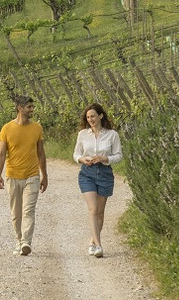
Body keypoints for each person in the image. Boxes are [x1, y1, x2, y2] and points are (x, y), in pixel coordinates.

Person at [0, 94, 47, 256]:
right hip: (13, 176)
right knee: (16, 213)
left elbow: (41, 153)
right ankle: (18, 240)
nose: (32, 110)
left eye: (32, 107)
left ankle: (26, 242)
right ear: (20, 108)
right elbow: (1, 154)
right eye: (29, 107)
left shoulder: (37, 128)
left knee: (28, 210)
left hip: (32, 175)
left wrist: (44, 175)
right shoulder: (7, 129)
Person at [74, 102, 122, 258]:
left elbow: (119, 156)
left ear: (100, 116)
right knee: (93, 209)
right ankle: (99, 245)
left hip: (104, 173)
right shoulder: (82, 134)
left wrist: (104, 158)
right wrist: (82, 159)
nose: (90, 119)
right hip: (87, 173)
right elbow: (76, 154)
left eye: (93, 116)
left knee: (100, 213)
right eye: (88, 117)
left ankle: (92, 242)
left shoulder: (112, 135)